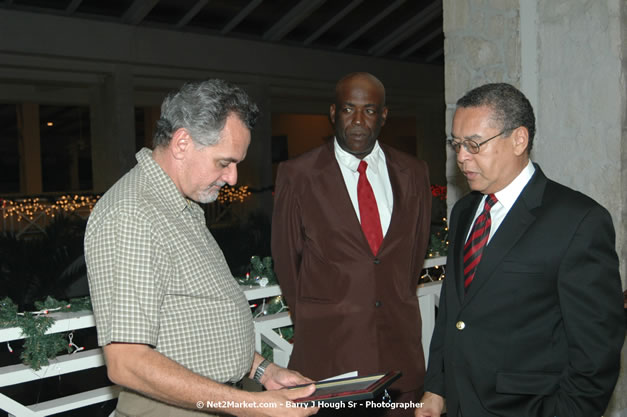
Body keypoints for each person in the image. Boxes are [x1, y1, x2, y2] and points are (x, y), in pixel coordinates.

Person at [85, 79, 319, 417]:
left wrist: (263, 371)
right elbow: (127, 363)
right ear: (182, 142)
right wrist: (250, 406)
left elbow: (194, 325)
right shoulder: (133, 214)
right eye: (224, 162)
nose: (233, 177)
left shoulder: (177, 205)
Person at [415, 83, 625, 417]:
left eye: (473, 144)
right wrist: (436, 387)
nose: (461, 157)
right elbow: (455, 313)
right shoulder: (464, 211)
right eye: (456, 144)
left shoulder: (578, 220)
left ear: (518, 140)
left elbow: (595, 355)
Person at [272, 72, 432, 416]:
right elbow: (287, 262)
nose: (358, 120)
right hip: (332, 364)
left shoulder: (414, 172)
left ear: (384, 116)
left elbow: (413, 256)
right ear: (333, 112)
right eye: (348, 109)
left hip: (399, 358)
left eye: (369, 111)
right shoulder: (298, 175)